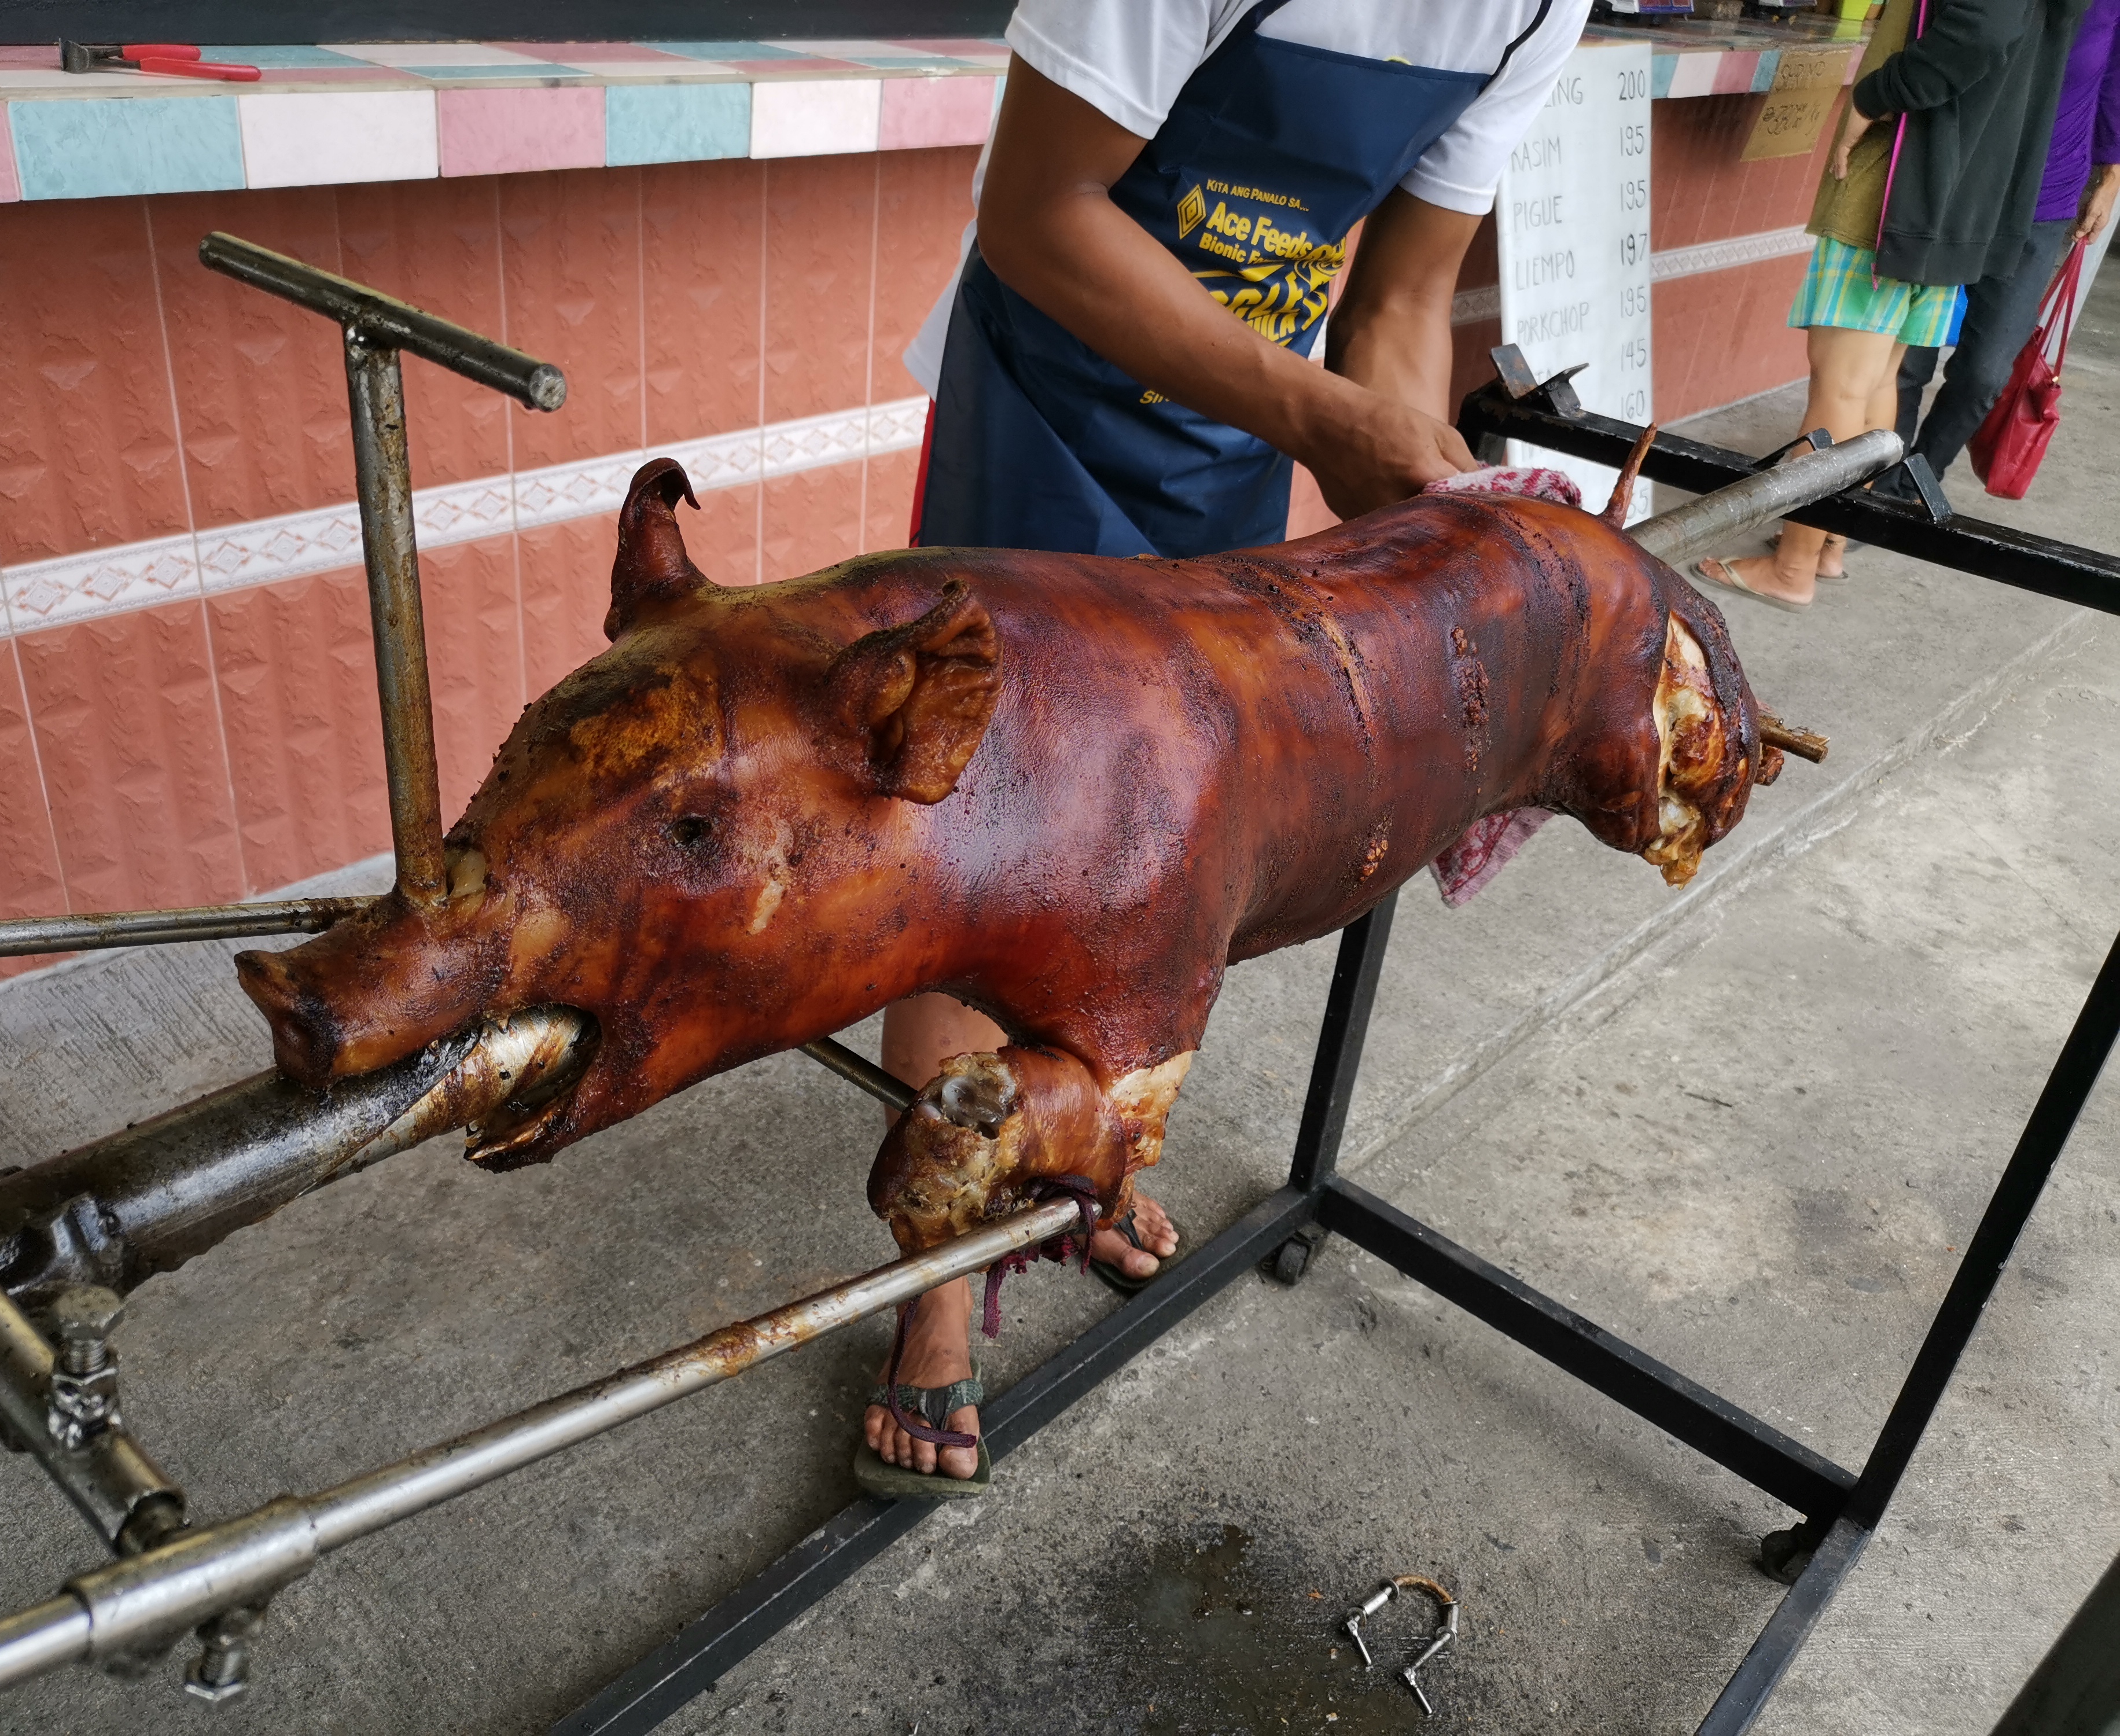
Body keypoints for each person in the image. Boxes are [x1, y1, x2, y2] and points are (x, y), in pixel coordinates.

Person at [864, 0, 1588, 1487]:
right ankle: (935, 1277)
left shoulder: (1534, 4)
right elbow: (1037, 213)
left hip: (1235, 429)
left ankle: (1077, 1151)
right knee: (984, 843)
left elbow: (1398, 299)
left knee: (1170, 845)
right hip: (1043, 403)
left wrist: (1417, 524)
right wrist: (1324, 417)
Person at [1696, 0, 2088, 612]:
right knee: (1879, 382)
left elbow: (1980, 30)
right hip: (1957, 193)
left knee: (1840, 387)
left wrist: (1874, 97)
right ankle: (1828, 544)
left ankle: (1792, 566)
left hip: (1900, 180)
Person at [1891, 0, 2120, 484]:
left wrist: (2112, 175)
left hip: (2048, 195)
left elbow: (2113, 82)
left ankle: (1918, 480)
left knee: (1987, 373)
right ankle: (1879, 484)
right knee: (1906, 358)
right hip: (1963, 181)